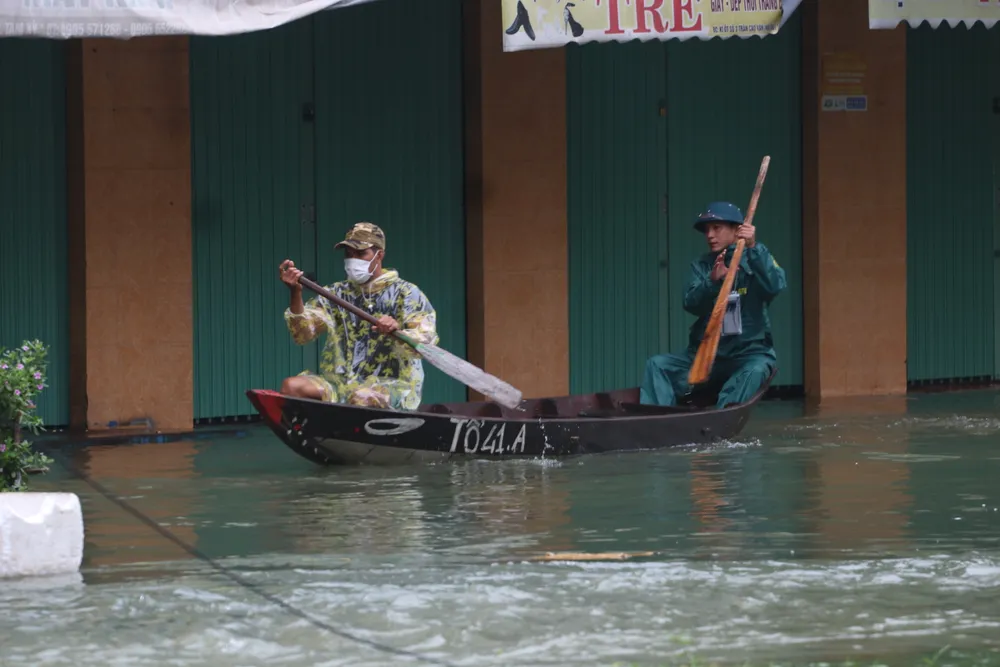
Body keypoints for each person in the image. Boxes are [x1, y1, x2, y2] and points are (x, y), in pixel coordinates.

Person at [277, 221, 439, 411]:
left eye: (361, 254)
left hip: (391, 386)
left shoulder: (407, 293)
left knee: (362, 398)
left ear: (380, 255)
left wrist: (397, 331)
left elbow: (424, 344)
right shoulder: (336, 293)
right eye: (349, 254)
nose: (353, 260)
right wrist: (296, 293)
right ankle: (320, 434)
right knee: (291, 387)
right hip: (341, 384)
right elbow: (303, 333)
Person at [640, 201, 787, 409]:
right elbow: (691, 304)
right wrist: (712, 282)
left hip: (747, 354)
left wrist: (754, 246)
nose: (709, 235)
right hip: (708, 354)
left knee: (755, 370)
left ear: (737, 231)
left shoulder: (757, 259)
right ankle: (656, 422)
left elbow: (776, 285)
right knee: (658, 365)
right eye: (707, 230)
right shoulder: (702, 265)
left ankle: (722, 419)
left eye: (716, 228)